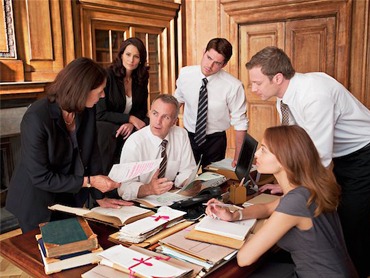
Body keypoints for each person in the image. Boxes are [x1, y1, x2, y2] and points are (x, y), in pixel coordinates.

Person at [245, 46, 370, 277]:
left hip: (362, 155)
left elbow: (318, 158)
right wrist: (285, 185)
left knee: (351, 226)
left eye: (257, 82)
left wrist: (292, 191)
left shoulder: (314, 94)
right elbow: (293, 149)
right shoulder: (283, 99)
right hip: (340, 157)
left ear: (278, 78)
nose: (252, 89)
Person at [206, 125, 358, 277]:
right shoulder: (306, 189)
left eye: (264, 149)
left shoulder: (296, 201)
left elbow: (244, 258)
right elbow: (266, 208)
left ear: (284, 159)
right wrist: (234, 215)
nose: (257, 154)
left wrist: (258, 231)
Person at [6, 57, 131, 234]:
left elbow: (92, 153)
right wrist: (90, 182)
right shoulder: (36, 118)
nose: (103, 96)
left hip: (69, 199)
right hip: (35, 204)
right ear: (83, 90)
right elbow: (41, 177)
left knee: (74, 251)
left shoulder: (87, 109)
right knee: (45, 258)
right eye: (100, 91)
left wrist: (99, 197)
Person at [174, 38, 248, 169]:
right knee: (185, 177)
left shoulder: (233, 86)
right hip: (188, 137)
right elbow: (177, 101)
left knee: (213, 181)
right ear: (204, 52)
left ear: (224, 65)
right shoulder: (185, 74)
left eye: (217, 63)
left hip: (216, 141)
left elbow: (240, 122)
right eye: (208, 57)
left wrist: (239, 157)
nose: (209, 65)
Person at [117, 94, 197, 200]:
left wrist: (189, 183)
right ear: (149, 113)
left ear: (174, 121)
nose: (158, 121)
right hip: (142, 202)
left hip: (170, 198)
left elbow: (187, 171)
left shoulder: (181, 135)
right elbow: (123, 188)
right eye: (155, 114)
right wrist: (149, 189)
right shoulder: (135, 142)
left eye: (166, 117)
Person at [96, 37, 150, 174]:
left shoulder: (141, 78)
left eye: (136, 56)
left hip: (128, 126)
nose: (131, 60)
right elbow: (100, 113)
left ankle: (136, 179)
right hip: (106, 125)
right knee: (110, 132)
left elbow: (142, 109)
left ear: (141, 59)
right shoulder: (108, 76)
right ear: (121, 55)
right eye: (128, 54)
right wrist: (129, 119)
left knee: (146, 128)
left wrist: (131, 123)